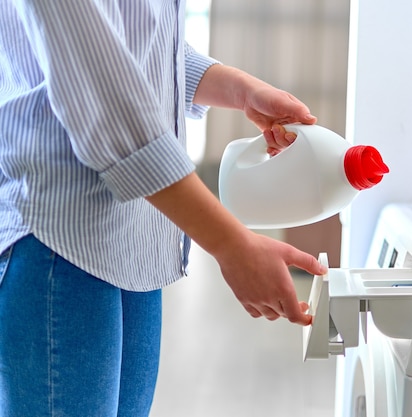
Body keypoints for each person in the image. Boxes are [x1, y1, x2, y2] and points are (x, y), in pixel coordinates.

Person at [0, 1, 327, 416]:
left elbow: (146, 46)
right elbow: (100, 90)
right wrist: (231, 245)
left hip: (136, 235)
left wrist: (240, 89)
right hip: (59, 236)